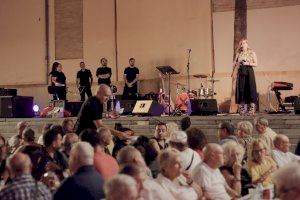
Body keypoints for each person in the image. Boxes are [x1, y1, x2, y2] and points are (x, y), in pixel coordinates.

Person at [233, 39, 258, 115]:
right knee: (241, 89)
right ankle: (241, 108)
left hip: (249, 71)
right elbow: (234, 64)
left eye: (244, 43)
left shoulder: (252, 53)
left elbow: (256, 64)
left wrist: (247, 62)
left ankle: (252, 109)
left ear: (247, 44)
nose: (242, 45)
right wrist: (238, 62)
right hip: (241, 71)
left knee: (250, 88)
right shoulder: (239, 53)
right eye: (241, 44)